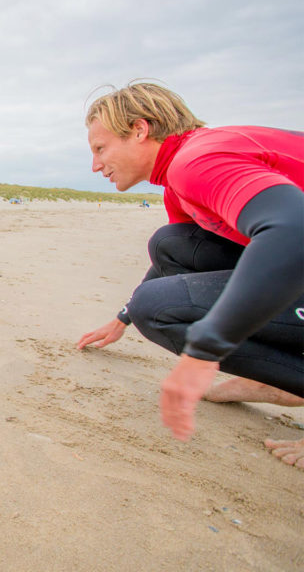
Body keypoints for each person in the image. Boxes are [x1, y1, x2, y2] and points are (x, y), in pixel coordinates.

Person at [75, 82, 303, 468]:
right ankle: (279, 375)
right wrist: (122, 319)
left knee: (159, 309)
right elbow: (174, 259)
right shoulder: (180, 179)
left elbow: (294, 228)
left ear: (140, 130)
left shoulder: (197, 162)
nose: (95, 165)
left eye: (100, 149)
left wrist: (208, 346)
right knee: (172, 242)